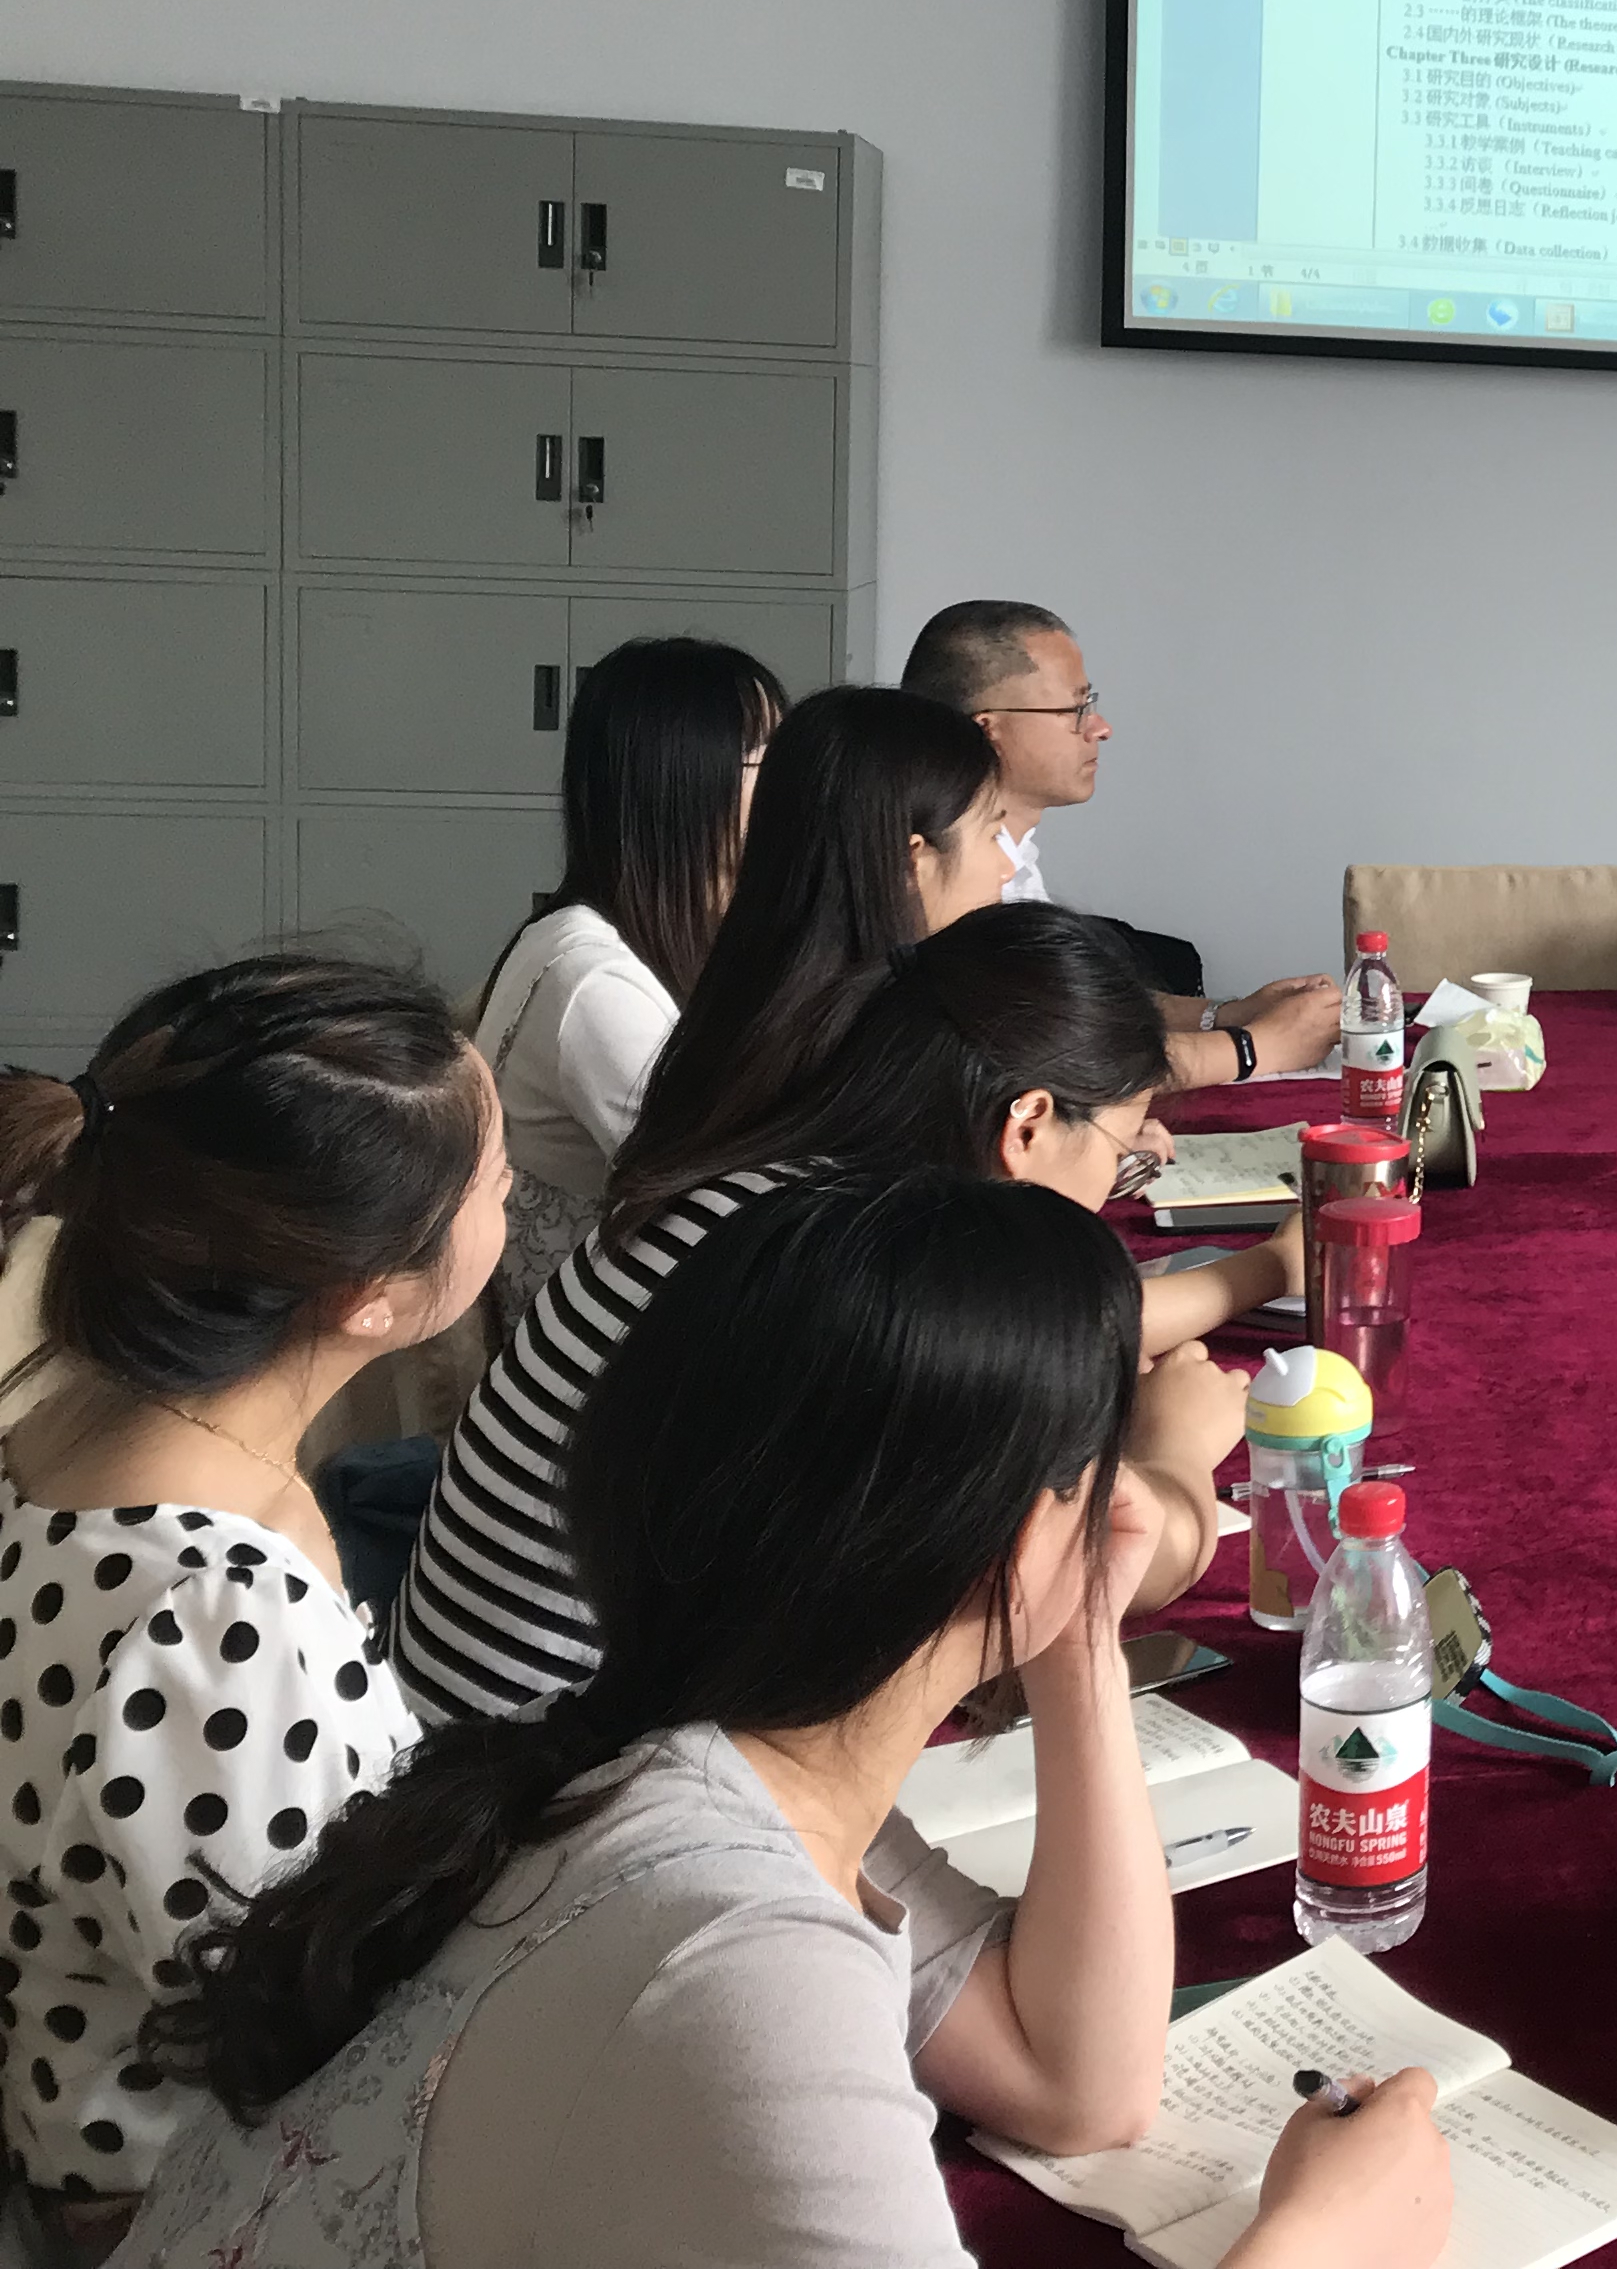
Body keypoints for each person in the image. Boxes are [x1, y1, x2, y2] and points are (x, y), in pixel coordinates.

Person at [121, 1170, 1451, 2269]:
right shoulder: (738, 1958)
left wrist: (1080, 1628)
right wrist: (1321, 2242)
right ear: (1006, 1540)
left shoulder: (679, 1762)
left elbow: (1080, 2083)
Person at [397, 906, 1261, 1725]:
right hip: (561, 1771)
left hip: (460, 1717)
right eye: (1121, 1148)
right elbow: (1094, 1568)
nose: (1113, 1185)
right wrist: (1179, 1449)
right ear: (1027, 1125)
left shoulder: (756, 1191)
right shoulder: (887, 1284)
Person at [0, 959, 509, 2240]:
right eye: (499, 1185)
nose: (514, 1197)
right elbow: (298, 2024)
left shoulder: (61, 1426)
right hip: (188, 2213)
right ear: (371, 1299)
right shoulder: (219, 1620)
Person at [901, 600, 1340, 1089]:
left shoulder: (1009, 851)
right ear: (989, 730)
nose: (1100, 728)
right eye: (1075, 709)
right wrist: (1255, 1047)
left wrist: (1227, 1014)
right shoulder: (940, 869)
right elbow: (1049, 1060)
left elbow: (1067, 1004)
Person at [471, 637, 789, 1307]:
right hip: (596, 1345)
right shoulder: (594, 978)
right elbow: (724, 1204)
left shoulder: (683, 935)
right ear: (683, 781)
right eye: (774, 759)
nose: (799, 784)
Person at [617, 682, 1009, 1198]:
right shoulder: (889, 1065)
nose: (1007, 868)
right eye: (994, 835)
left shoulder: (747, 1005)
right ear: (910, 862)